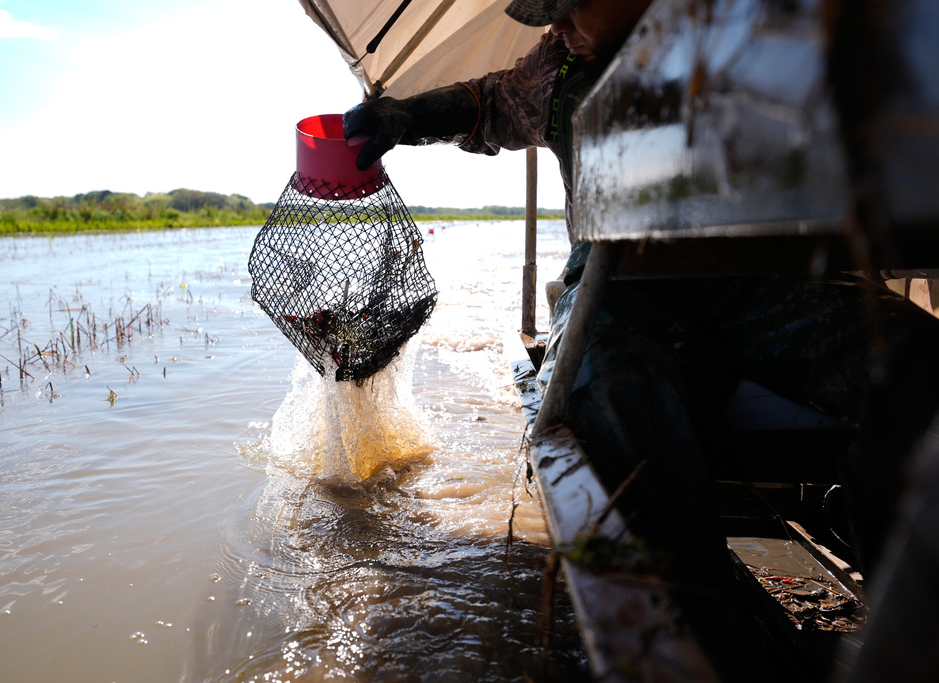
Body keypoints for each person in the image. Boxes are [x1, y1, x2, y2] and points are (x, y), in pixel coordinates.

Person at [344, 0, 939, 670]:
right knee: (616, 394)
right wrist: (412, 117)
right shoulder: (560, 67)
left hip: (768, 276)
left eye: (570, 6)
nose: (556, 25)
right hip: (619, 282)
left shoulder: (748, 21)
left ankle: (899, 585)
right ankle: (695, 632)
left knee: (918, 363)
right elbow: (492, 101)